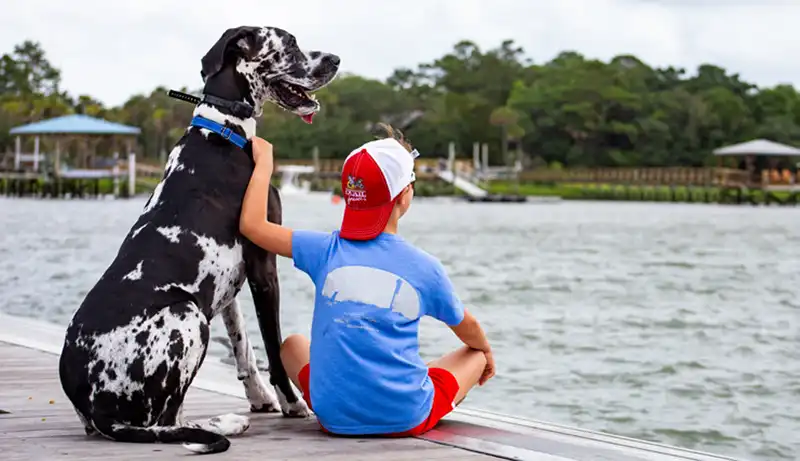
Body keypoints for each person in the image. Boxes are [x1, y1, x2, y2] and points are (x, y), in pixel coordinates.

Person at [239, 124, 495, 437]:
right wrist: (487, 352)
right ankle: (403, 386)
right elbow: (467, 327)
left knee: (291, 345)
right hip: (405, 417)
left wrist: (264, 162)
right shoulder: (425, 267)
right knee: (476, 355)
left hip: (334, 416)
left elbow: (252, 225)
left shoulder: (323, 249)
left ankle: (354, 393)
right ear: (405, 196)